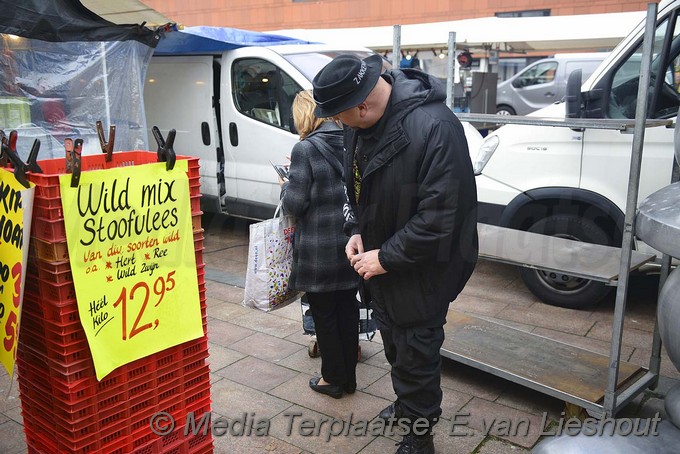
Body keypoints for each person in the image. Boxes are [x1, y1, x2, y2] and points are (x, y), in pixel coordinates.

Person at [312, 54, 478, 453]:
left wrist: (384, 257)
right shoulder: (360, 127)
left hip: (424, 268)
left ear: (362, 105)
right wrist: (355, 231)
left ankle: (421, 435)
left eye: (338, 116)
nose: (337, 124)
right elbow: (356, 189)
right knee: (394, 345)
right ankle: (408, 406)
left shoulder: (436, 127)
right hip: (382, 262)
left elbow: (442, 218)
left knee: (417, 352)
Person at [279, 89, 360, 399]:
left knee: (324, 313)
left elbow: (294, 205)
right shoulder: (350, 139)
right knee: (347, 309)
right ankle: (349, 378)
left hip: (318, 248)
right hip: (351, 241)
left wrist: (285, 186)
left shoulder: (305, 149)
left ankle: (332, 379)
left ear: (303, 115)